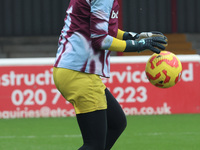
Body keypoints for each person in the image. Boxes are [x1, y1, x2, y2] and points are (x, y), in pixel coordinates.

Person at [53, 0, 167, 149]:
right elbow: (100, 40)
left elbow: (102, 27)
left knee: (116, 123)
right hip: (80, 73)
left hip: (70, 70)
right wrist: (139, 45)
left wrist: (133, 36)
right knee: (94, 145)